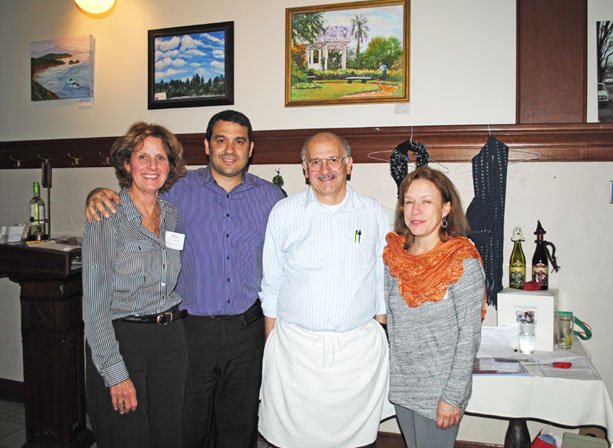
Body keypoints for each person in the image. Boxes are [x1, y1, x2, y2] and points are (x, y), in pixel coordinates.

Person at [85, 110, 285, 448]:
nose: (229, 149)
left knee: (238, 428)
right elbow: (134, 198)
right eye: (221, 140)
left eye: (239, 141)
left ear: (251, 149)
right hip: (190, 332)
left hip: (245, 333)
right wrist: (96, 194)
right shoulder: (176, 192)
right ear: (207, 146)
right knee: (185, 429)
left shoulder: (272, 199)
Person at [258, 132, 394, 448]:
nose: (324, 169)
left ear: (348, 164)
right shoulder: (285, 213)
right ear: (305, 169)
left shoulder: (373, 213)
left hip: (357, 355)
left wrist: (381, 330)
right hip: (296, 354)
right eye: (315, 161)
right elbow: (272, 283)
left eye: (332, 159)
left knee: (356, 442)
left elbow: (381, 278)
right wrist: (272, 344)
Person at [83, 121, 188, 448]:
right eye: (143, 157)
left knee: (168, 436)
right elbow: (95, 306)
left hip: (170, 341)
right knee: (126, 437)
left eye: (161, 158)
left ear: (170, 165)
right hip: (123, 340)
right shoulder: (106, 216)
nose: (152, 166)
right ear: (127, 164)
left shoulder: (171, 214)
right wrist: (116, 373)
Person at [383, 166, 486, 448]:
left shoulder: (462, 261)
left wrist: (453, 396)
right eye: (409, 201)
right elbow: (391, 323)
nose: (415, 210)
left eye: (427, 201)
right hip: (404, 386)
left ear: (446, 209)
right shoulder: (394, 258)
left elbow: (469, 337)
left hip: (441, 392)